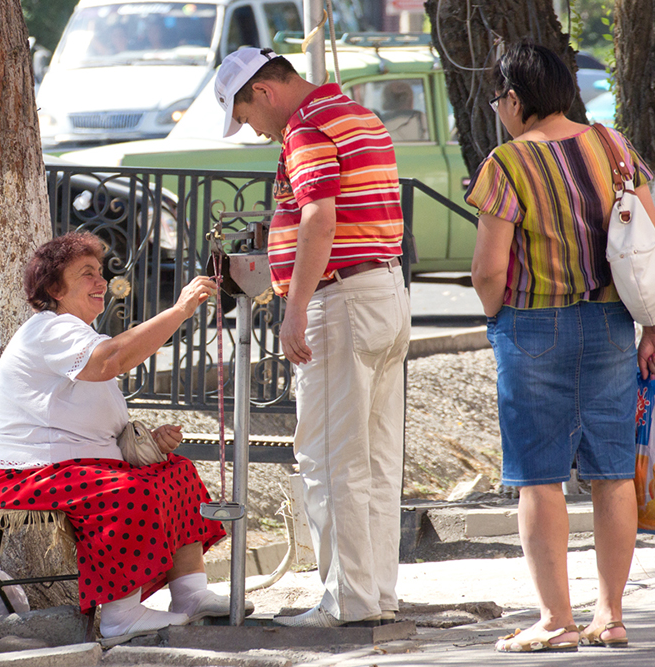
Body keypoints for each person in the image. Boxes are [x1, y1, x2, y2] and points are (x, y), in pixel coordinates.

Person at [465, 42, 655, 653]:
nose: (498, 108)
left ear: (515, 98)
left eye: (499, 98)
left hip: (533, 326)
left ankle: (556, 620)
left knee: (540, 478)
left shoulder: (506, 163)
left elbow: (486, 271)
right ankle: (610, 616)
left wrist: (497, 316)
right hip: (611, 325)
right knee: (612, 474)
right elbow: (648, 244)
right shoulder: (613, 146)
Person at [214, 48, 410, 628]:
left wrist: (293, 307)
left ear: (265, 93)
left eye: (248, 116)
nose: (255, 128)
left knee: (327, 458)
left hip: (341, 299)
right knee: (374, 459)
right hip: (384, 289)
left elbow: (318, 217)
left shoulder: (306, 128)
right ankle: (375, 594)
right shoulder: (356, 113)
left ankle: (346, 601)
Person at [0, 232, 252, 641]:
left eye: (100, 273)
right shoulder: (50, 330)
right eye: (86, 274)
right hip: (20, 478)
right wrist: (179, 310)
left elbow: (93, 424)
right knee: (124, 491)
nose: (100, 282)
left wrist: (148, 444)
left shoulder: (77, 334)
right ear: (55, 288)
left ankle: (190, 595)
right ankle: (120, 614)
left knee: (176, 473)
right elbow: (113, 360)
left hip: (68, 469)